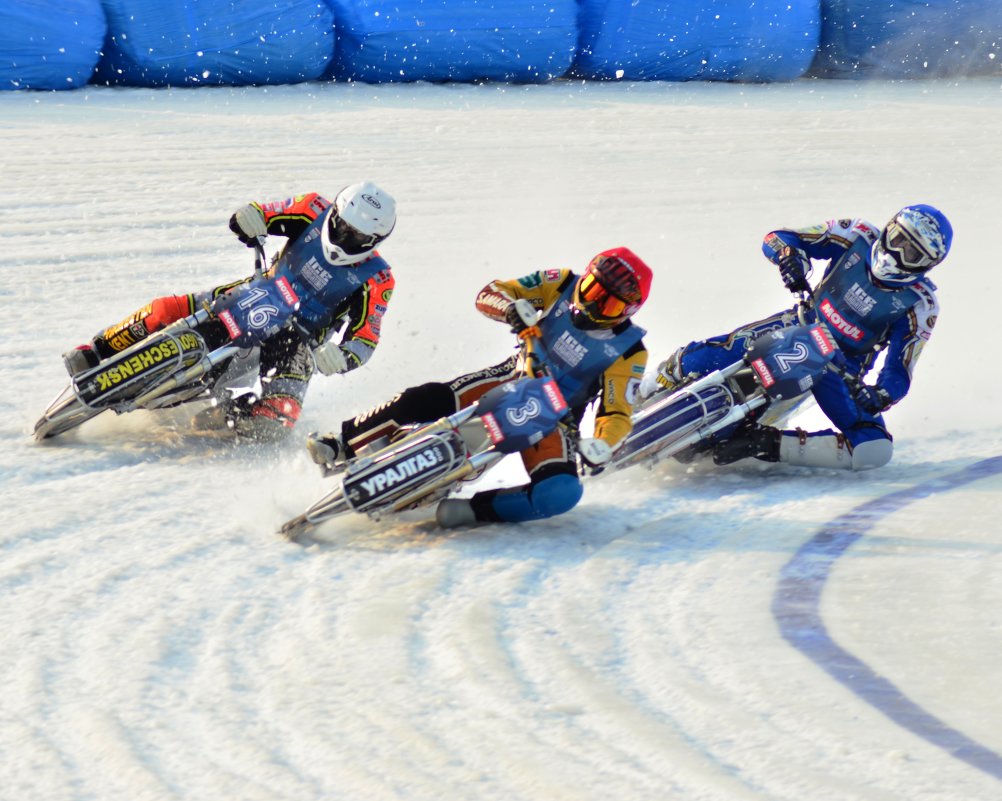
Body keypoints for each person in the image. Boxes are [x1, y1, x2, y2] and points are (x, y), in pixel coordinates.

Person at [307, 247, 653, 528]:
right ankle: (341, 443)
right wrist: (512, 309)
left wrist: (602, 444)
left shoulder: (630, 350)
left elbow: (617, 412)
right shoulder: (560, 282)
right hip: (511, 377)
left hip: (553, 421)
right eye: (592, 290)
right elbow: (492, 292)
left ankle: (473, 511)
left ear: (628, 311)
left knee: (560, 493)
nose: (593, 304)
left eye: (608, 304)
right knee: (424, 398)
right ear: (585, 277)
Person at [62, 182, 397, 440]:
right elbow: (264, 212)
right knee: (167, 309)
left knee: (277, 422)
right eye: (340, 225)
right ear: (335, 211)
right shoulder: (312, 207)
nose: (341, 237)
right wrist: (249, 218)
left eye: (355, 238)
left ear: (374, 242)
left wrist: (342, 356)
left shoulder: (378, 278)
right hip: (257, 294)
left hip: (299, 341)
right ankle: (98, 349)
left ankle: (235, 412)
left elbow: (366, 337)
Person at [643, 205, 952, 471]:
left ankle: (767, 443)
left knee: (874, 449)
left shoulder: (920, 304)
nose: (896, 253)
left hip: (837, 368)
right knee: (697, 360)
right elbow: (778, 237)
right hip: (796, 325)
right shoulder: (855, 234)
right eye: (897, 240)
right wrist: (790, 257)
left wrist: (880, 396)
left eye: (911, 253)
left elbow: (899, 370)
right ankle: (649, 387)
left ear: (926, 266)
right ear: (887, 229)